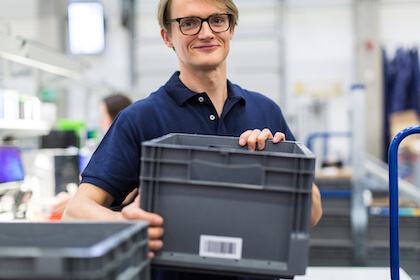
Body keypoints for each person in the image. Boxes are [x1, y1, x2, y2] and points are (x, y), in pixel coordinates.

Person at [62, 0, 322, 279]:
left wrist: (278, 165)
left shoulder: (265, 111)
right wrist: (124, 223)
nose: (206, 33)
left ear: (231, 28)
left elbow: (313, 214)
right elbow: (75, 212)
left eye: (217, 20)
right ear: (167, 36)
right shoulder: (140, 119)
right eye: (189, 23)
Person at [51, 93, 133, 215]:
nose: (100, 123)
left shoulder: (126, 152)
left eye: (103, 117)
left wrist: (76, 203)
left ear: (115, 118)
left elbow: (122, 195)